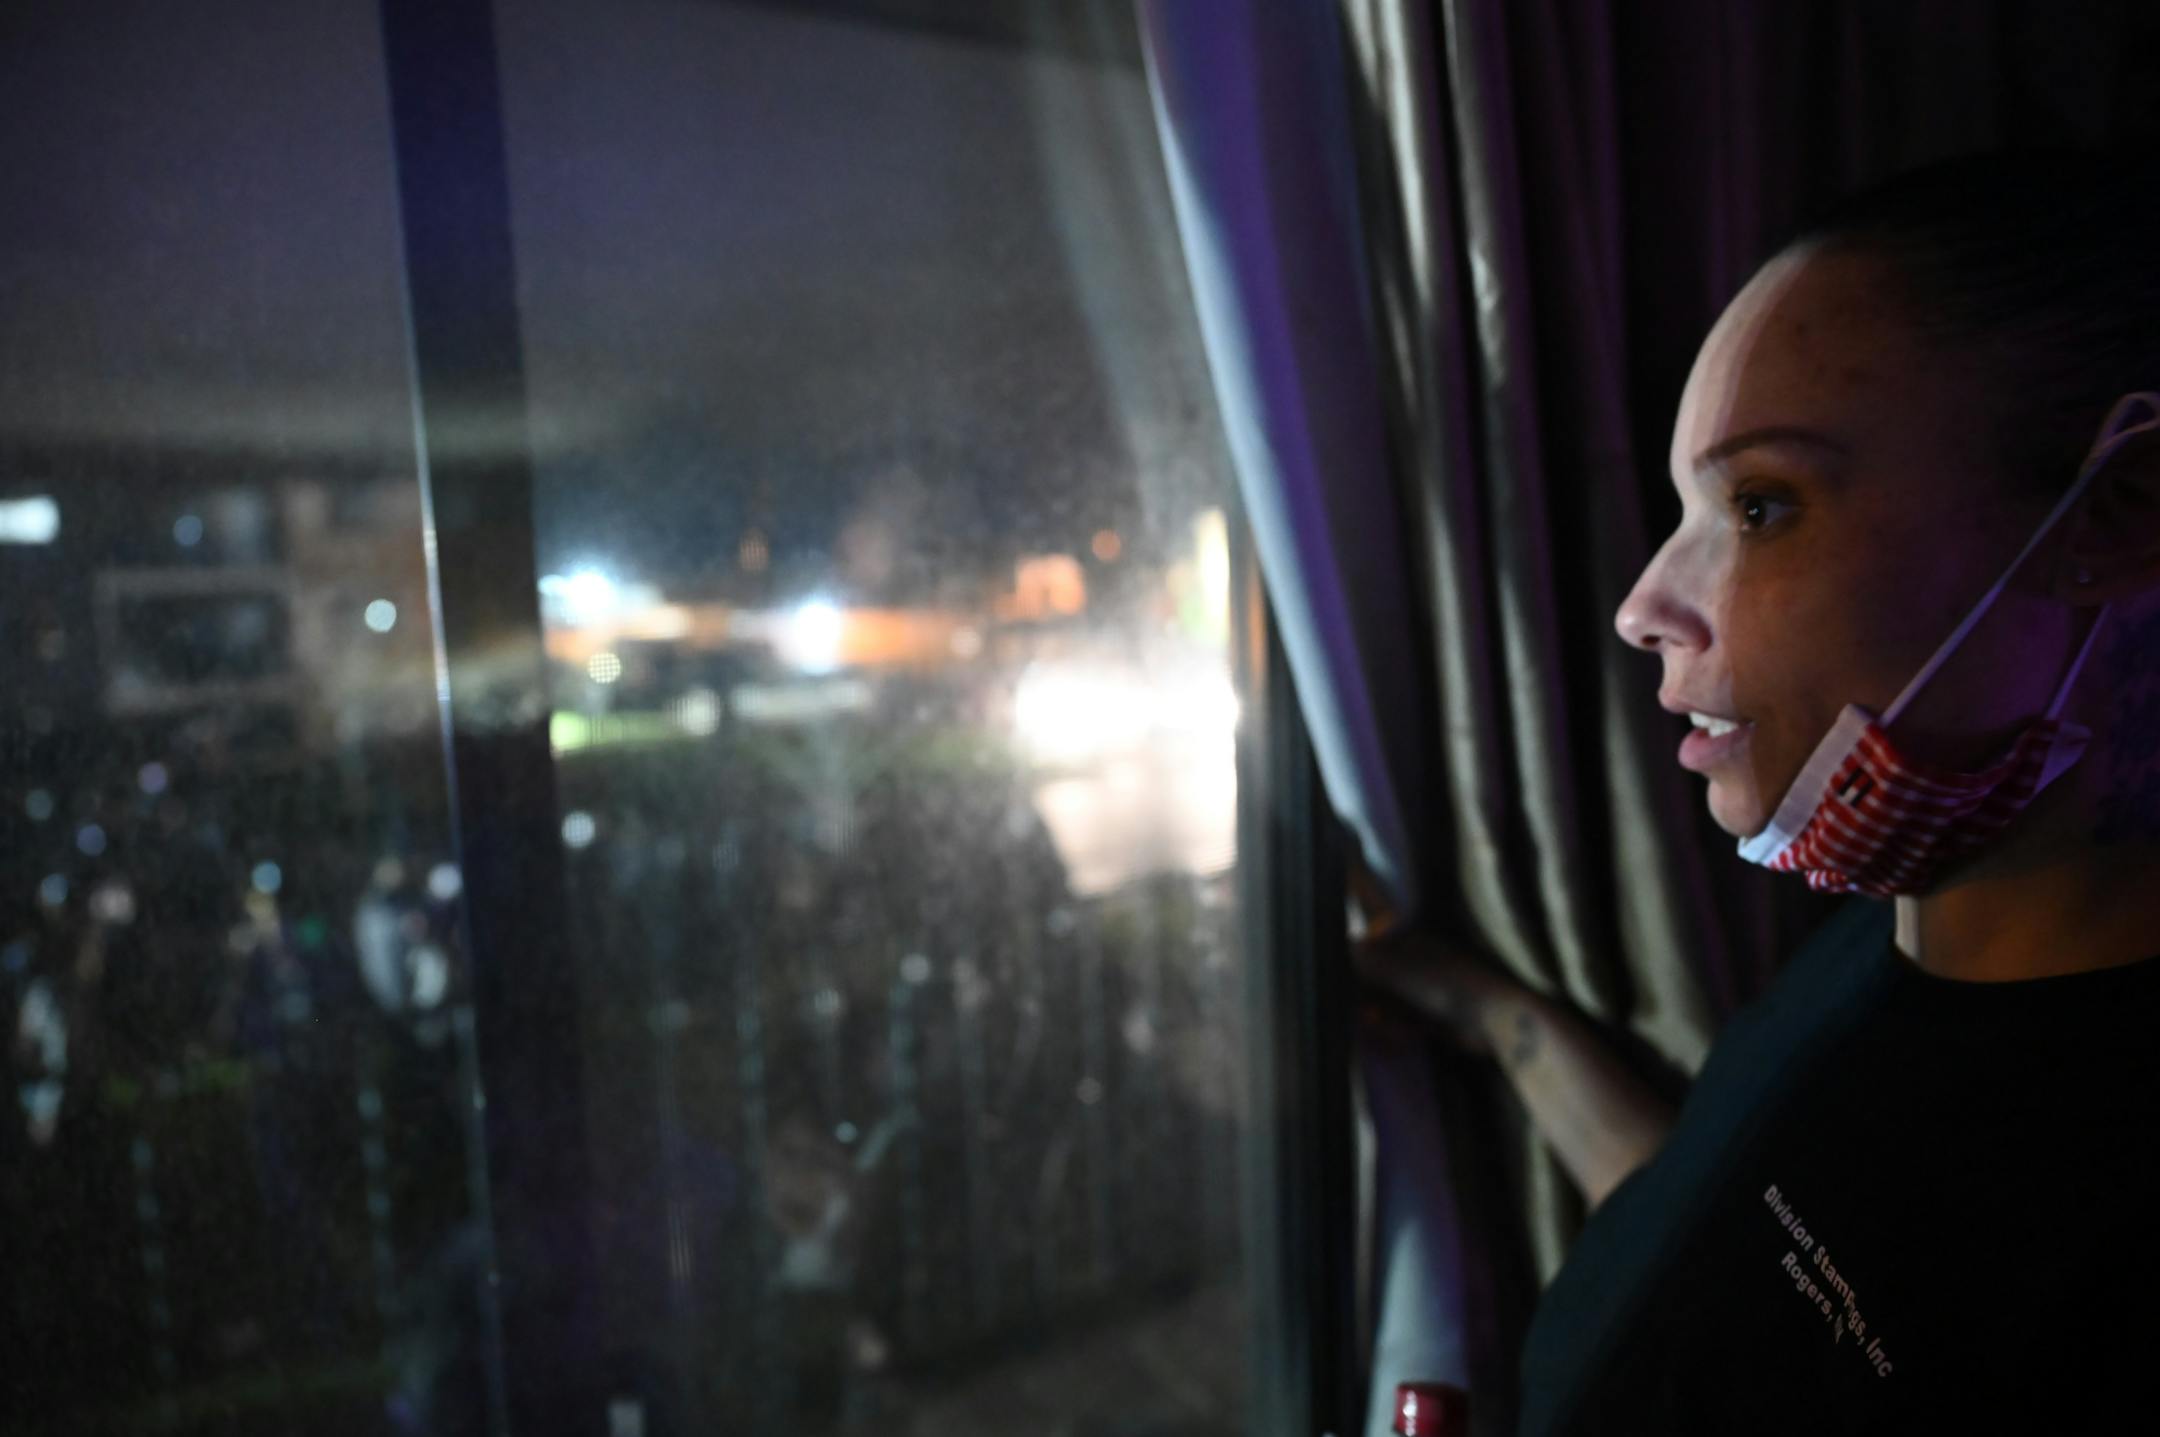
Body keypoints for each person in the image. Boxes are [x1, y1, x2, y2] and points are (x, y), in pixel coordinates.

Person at [1360, 150, 2160, 1434]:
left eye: (1763, 505)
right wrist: (1482, 1010)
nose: (1643, 607)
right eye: (1694, 507)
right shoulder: (1877, 944)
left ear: (2117, 510)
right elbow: (1725, 1235)